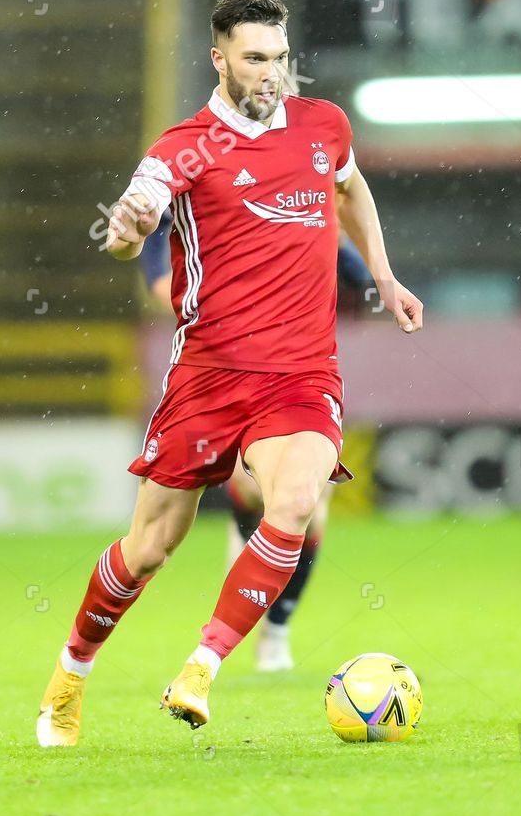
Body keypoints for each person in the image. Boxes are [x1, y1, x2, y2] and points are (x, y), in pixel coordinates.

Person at [36, 0, 423, 746]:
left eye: (280, 58)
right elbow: (132, 225)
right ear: (219, 59)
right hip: (209, 375)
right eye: (254, 59)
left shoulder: (324, 126)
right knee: (149, 548)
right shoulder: (182, 146)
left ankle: (202, 667)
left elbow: (350, 186)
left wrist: (382, 272)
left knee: (297, 499)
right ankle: (70, 674)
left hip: (301, 374)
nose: (272, 73)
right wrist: (126, 231)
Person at [135, 227, 377, 672]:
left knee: (312, 501)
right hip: (229, 380)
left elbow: (355, 272)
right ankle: (244, 539)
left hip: (301, 374)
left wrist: (360, 266)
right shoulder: (180, 213)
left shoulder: (292, 198)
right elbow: (158, 283)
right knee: (254, 497)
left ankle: (277, 630)